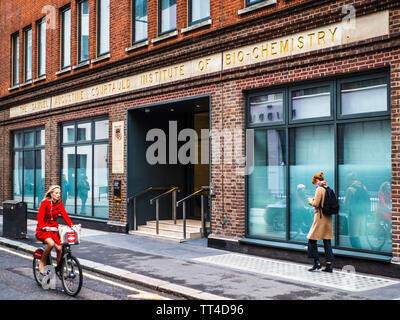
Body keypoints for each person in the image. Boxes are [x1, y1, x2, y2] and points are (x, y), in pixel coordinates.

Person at [35, 185, 74, 274]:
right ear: (51, 194)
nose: (58, 195)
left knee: (60, 249)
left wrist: (72, 225)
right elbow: (40, 217)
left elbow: (64, 215)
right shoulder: (44, 203)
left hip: (53, 229)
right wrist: (43, 227)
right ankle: (42, 262)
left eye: (59, 193)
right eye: (56, 193)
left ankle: (60, 268)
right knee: (51, 243)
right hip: (43, 229)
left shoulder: (59, 203)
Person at [306, 172, 334, 273]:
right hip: (328, 218)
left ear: (317, 181)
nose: (314, 185)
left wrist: (310, 200)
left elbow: (316, 204)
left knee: (311, 239)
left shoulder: (319, 189)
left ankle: (316, 262)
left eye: (314, 183)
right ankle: (329, 266)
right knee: (327, 242)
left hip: (320, 217)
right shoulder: (327, 188)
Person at [344, 172, 370, 248]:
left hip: (354, 214)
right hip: (363, 213)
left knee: (353, 234)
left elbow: (346, 203)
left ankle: (357, 250)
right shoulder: (364, 187)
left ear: (349, 180)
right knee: (360, 232)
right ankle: (361, 250)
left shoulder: (350, 189)